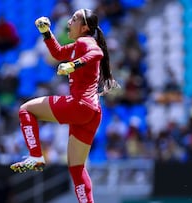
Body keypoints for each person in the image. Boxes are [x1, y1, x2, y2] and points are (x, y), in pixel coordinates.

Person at [10, 8, 119, 203]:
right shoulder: (78, 44)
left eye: (74, 19)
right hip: (92, 112)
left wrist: (74, 65)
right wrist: (47, 33)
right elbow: (58, 52)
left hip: (79, 106)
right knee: (77, 169)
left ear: (85, 27)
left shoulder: (87, 42)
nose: (69, 22)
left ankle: (36, 156)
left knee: (26, 110)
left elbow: (97, 53)